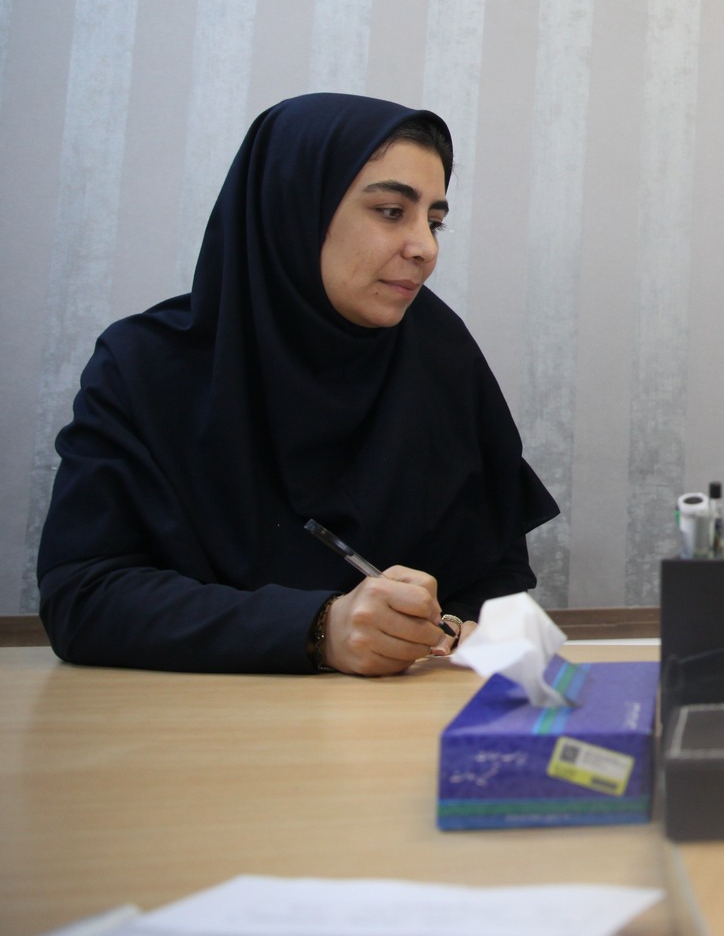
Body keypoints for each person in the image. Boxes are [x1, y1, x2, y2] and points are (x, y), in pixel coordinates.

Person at [37, 95, 559, 676]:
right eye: (391, 211)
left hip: (405, 716)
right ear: (294, 208)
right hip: (191, 717)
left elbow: (497, 576)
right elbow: (82, 597)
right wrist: (318, 628)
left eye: (434, 222)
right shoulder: (145, 365)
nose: (425, 248)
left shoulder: (440, 352)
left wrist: (460, 626)